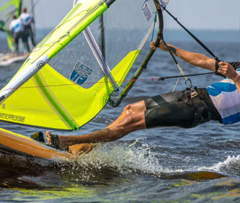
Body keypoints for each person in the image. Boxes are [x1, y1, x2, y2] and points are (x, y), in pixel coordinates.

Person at [45, 40, 240, 155]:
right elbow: (203, 60)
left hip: (201, 111)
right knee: (129, 110)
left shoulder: (236, 73)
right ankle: (84, 147)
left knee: (132, 122)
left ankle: (68, 141)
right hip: (193, 95)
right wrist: (169, 47)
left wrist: (234, 77)